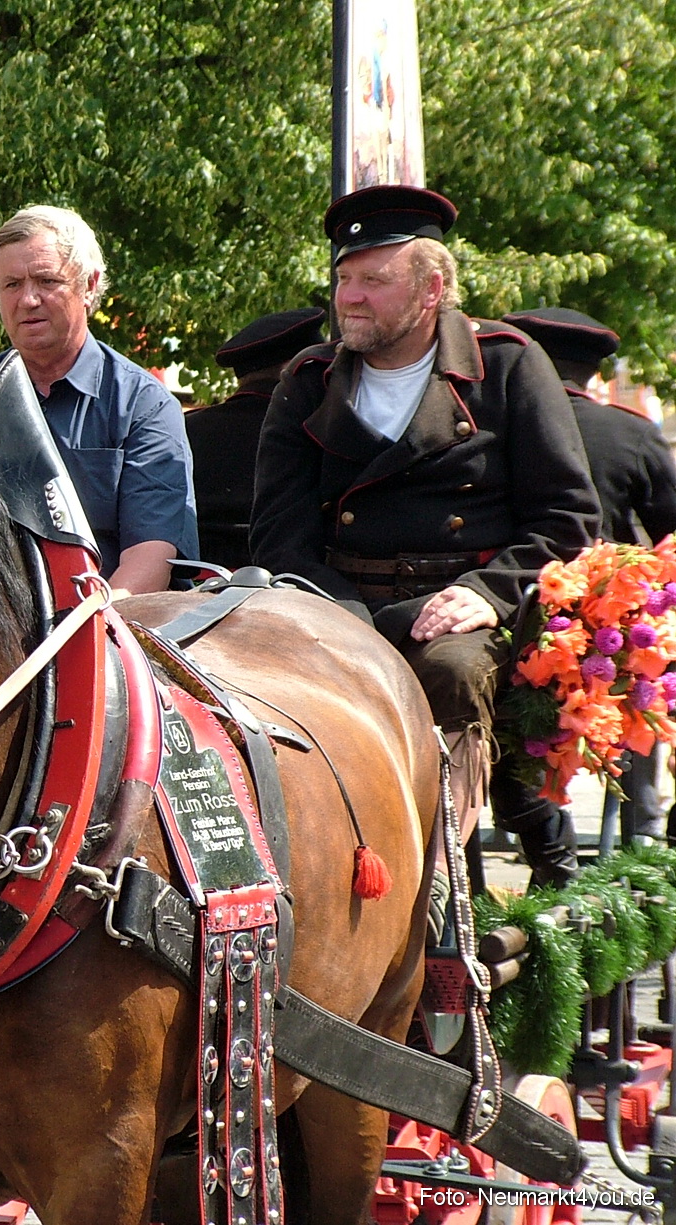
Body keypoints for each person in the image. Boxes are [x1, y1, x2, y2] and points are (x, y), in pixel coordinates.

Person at [252, 185, 601, 889]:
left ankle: (443, 890)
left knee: (446, 670)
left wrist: (488, 592)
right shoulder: (309, 377)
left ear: (430, 288)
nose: (348, 297)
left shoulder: (505, 362)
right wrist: (343, 619)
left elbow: (566, 518)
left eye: (372, 281)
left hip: (458, 606)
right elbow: (278, 535)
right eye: (344, 278)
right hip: (338, 605)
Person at [0, 205, 198, 593]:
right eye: (12, 285)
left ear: (90, 285)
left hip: (99, 630)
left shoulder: (143, 406)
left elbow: (150, 557)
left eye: (46, 280)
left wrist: (91, 635)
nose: (28, 299)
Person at [503, 307, 676, 844]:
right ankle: (642, 828)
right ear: (593, 372)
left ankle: (540, 836)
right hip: (610, 626)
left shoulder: (497, 428)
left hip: (513, 609)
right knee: (641, 680)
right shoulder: (632, 432)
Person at [185, 307, 326, 571]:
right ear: (292, 368)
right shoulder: (316, 427)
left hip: (192, 586)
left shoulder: (187, 427)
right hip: (293, 584)